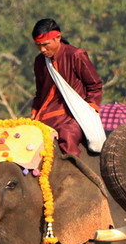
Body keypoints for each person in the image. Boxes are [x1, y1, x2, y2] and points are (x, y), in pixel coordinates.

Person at [30, 19, 103, 156]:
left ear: (58, 38)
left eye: (45, 45)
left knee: (67, 136)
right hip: (45, 116)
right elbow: (39, 93)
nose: (42, 50)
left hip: (74, 116)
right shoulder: (39, 62)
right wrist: (34, 111)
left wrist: (90, 110)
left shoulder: (76, 55)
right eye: (38, 46)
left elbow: (95, 85)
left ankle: (74, 175)